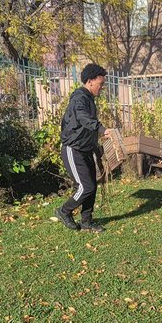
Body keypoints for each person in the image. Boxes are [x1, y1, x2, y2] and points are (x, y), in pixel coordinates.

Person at [56, 63, 110, 232]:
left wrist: (96, 148)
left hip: (85, 149)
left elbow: (84, 129)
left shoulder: (88, 99)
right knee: (86, 187)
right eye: (100, 84)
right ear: (90, 81)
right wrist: (102, 129)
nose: (102, 88)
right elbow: (83, 118)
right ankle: (64, 211)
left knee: (91, 186)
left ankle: (87, 221)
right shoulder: (79, 99)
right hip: (74, 149)